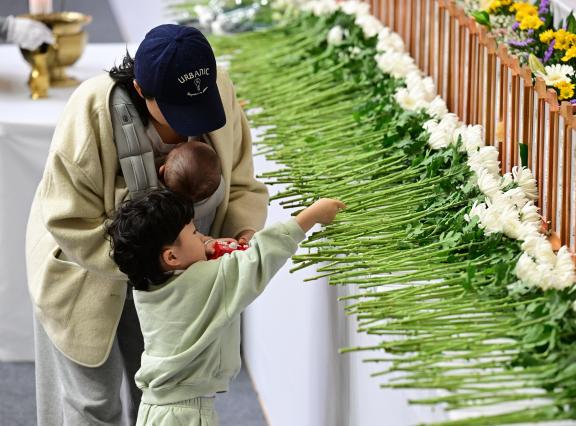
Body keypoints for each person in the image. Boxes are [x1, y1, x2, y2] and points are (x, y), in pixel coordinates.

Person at [25, 23, 268, 425]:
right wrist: (155, 261)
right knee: (91, 405)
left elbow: (241, 183)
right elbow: (69, 220)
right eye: (174, 112)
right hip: (87, 269)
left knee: (163, 396)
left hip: (174, 274)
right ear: (141, 90)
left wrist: (240, 236)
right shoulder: (90, 114)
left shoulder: (216, 90)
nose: (188, 126)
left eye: (198, 108)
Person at [106, 190, 345, 425]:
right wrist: (311, 216)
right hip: (185, 416)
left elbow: (190, 279)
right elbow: (258, 259)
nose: (204, 238)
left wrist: (206, 249)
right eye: (195, 233)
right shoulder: (205, 282)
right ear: (171, 258)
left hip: (155, 410)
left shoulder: (146, 289)